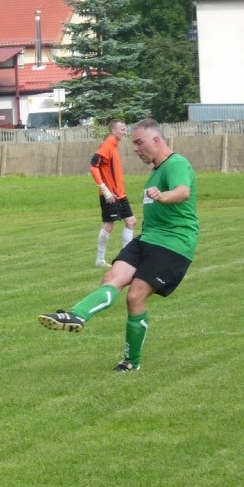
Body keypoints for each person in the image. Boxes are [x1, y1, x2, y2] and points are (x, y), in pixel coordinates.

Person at [38, 118, 198, 372]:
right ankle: (76, 314)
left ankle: (131, 362)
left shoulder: (176, 163)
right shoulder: (156, 170)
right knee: (112, 277)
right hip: (148, 238)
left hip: (174, 242)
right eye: (133, 143)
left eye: (139, 143)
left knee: (135, 296)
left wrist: (163, 196)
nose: (135, 148)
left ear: (156, 140)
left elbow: (183, 191)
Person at [91, 119, 136, 268]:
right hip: (110, 196)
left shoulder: (115, 145)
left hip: (121, 195)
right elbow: (93, 167)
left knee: (131, 222)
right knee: (108, 225)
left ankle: (125, 258)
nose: (125, 132)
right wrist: (105, 191)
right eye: (122, 130)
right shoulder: (107, 145)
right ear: (114, 131)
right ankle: (99, 260)